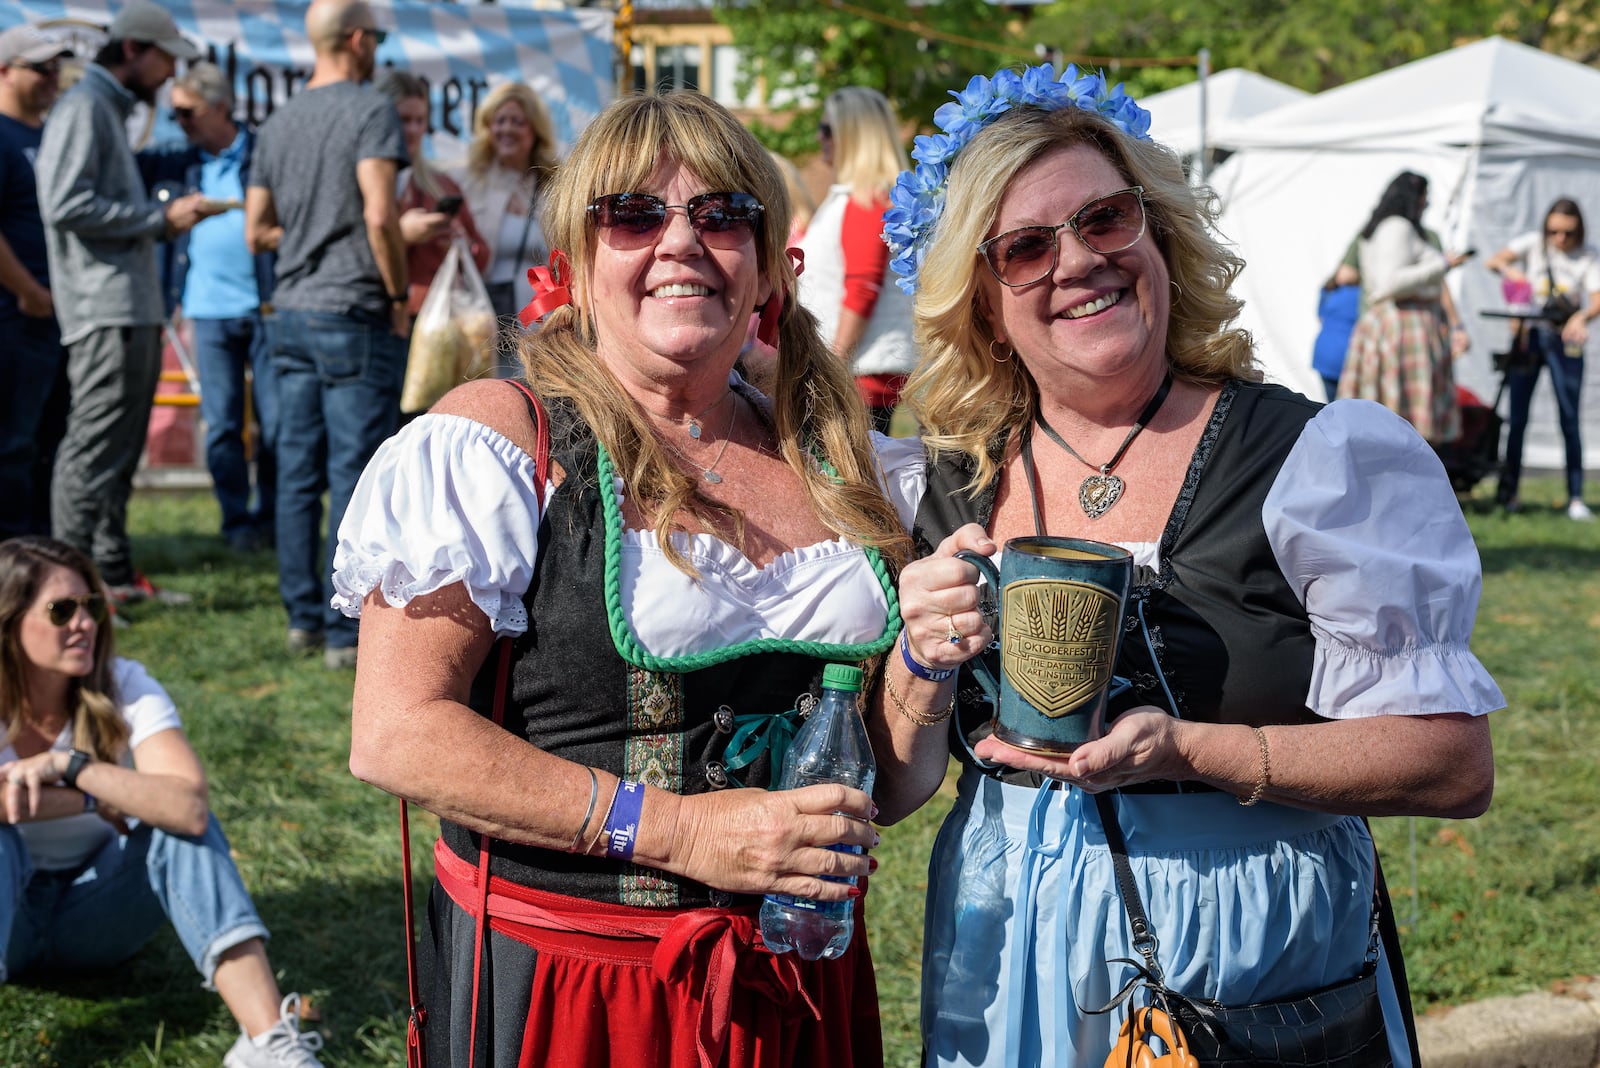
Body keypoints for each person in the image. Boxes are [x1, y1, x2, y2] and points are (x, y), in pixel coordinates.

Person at [869, 65, 1502, 1068]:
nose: (1078, 261)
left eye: (1105, 220)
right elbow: (896, 791)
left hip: (1245, 944)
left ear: (1158, 236)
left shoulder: (1311, 458)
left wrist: (1187, 750)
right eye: (1026, 247)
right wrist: (920, 656)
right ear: (985, 303)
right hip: (1006, 942)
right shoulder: (945, 485)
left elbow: (1450, 763)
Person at [336, 90, 916, 1068]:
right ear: (575, 260)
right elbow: (397, 734)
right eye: (635, 215)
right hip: (576, 986)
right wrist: (680, 832)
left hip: (799, 977)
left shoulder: (843, 463)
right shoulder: (498, 441)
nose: (683, 241)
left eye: (723, 214)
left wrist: (931, 667)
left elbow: (887, 776)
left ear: (771, 261)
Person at [0, 536, 325, 1068]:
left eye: (93, 606)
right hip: (7, 919)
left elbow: (187, 805)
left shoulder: (123, 684)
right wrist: (92, 805)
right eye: (62, 610)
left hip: (97, 919)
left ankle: (270, 1046)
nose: (84, 622)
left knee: (175, 825)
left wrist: (72, 768)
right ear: (10, 621)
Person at [33, 0, 220, 603]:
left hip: (124, 306)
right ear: (135, 49)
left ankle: (109, 578)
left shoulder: (102, 108)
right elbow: (63, 204)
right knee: (91, 452)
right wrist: (157, 218)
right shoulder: (86, 106)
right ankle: (67, 593)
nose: (172, 76)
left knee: (115, 453)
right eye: (167, 60)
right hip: (103, 308)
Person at [245, 0, 409, 670]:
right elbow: (379, 215)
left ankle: (301, 620)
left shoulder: (277, 122)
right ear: (359, 39)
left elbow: (257, 229)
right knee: (354, 474)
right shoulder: (370, 109)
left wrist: (309, 238)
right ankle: (347, 636)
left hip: (290, 312)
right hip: (352, 311)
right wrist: (398, 293)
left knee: (295, 473)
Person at [161, 61, 279, 552]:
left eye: (188, 113)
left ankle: (272, 521)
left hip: (265, 307)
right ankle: (236, 522)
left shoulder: (264, 152)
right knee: (223, 425)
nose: (181, 123)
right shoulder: (176, 160)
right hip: (206, 310)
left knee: (276, 425)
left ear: (221, 108)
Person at [798, 87, 916, 434]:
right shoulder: (865, 198)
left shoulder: (867, 201)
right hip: (860, 373)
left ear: (853, 135)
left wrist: (831, 366)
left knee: (849, 482)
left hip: (857, 377)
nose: (820, 138)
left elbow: (862, 288)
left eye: (827, 129)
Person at [1483, 197, 1600, 520]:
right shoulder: (1534, 245)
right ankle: (1509, 494)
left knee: (1569, 418)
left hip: (1564, 339)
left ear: (1579, 231)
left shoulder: (1588, 255)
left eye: (1568, 233)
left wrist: (1582, 317)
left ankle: (1575, 497)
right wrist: (1512, 273)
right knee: (1517, 418)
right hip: (1529, 336)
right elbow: (1493, 261)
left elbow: (1596, 297)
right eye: (1554, 232)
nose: (1560, 239)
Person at [1336, 171, 1473, 444]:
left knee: (1389, 418)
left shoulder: (1381, 227)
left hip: (1392, 324)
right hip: (1402, 326)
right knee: (1397, 421)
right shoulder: (1397, 226)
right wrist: (1443, 264)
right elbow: (1389, 283)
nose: (1426, 205)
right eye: (1424, 199)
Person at [0, 25, 72, 542]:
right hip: (16, 316)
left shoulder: (51, 136)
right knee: (13, 444)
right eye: (39, 68)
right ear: (4, 71)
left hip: (58, 315)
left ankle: (43, 552)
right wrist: (28, 290)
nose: (52, 79)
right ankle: (14, 558)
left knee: (53, 441)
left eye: (55, 69)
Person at [453, 79, 558, 365]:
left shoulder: (554, 184)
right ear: (488, 128)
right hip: (483, 320)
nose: (507, 129)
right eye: (499, 121)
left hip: (540, 325)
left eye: (517, 121)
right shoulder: (469, 182)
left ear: (534, 130)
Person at [373, 68, 490, 318]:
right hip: (378, 316)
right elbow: (343, 259)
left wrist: (463, 243)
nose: (414, 130)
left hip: (437, 319)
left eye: (420, 120)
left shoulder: (442, 185)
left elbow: (482, 257)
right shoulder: (361, 183)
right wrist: (400, 236)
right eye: (404, 119)